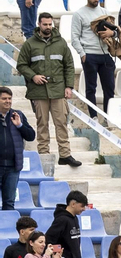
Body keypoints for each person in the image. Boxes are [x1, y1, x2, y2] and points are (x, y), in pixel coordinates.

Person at [15, 12, 79, 167]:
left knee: (61, 123)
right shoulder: (30, 44)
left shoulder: (61, 43)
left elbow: (69, 66)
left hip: (58, 90)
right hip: (39, 91)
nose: (48, 27)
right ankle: (44, 155)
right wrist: (33, 76)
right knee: (42, 124)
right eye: (45, 24)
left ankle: (65, 154)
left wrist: (69, 86)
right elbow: (21, 64)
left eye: (50, 24)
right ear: (39, 24)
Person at [0, 88, 36, 211]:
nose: (7, 101)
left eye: (9, 98)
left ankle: (8, 229)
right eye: (4, 98)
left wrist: (20, 125)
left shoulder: (18, 115)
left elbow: (31, 136)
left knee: (9, 202)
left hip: (12, 168)